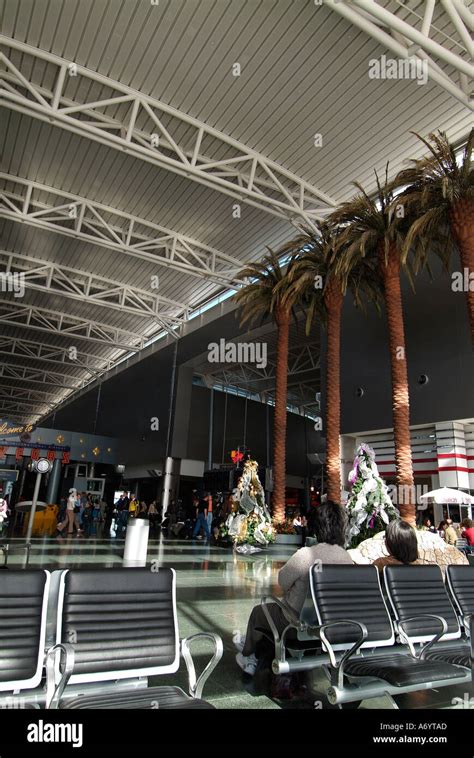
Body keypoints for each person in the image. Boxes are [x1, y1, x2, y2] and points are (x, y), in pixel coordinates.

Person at [235, 501, 353, 675]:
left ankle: (248, 655)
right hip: (329, 625)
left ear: (316, 526)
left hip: (296, 625)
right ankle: (256, 646)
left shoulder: (306, 555)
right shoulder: (346, 557)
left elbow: (282, 581)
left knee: (259, 612)